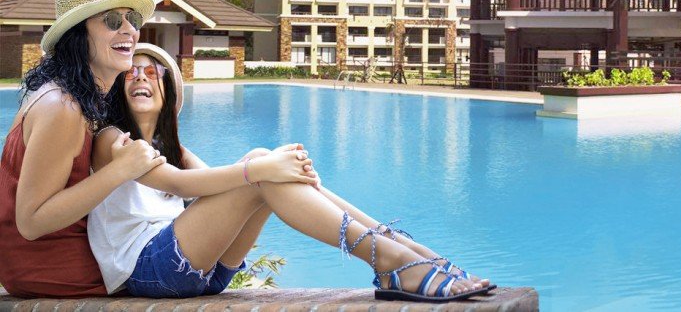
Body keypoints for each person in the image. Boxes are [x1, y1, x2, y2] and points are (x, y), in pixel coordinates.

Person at [89, 43, 494, 303]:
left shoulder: (172, 147)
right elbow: (178, 184)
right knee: (263, 169)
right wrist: (266, 168)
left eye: (152, 72)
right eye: (131, 72)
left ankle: (408, 251)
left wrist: (286, 171)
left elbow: (219, 187)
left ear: (169, 91)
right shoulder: (112, 139)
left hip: (199, 270)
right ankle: (392, 260)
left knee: (266, 163)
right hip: (149, 270)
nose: (140, 77)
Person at [0, 0, 166, 298]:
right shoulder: (63, 106)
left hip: (63, 257)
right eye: (111, 20)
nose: (130, 29)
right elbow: (31, 221)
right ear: (77, 35)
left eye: (131, 19)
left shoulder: (79, 100)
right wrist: (122, 170)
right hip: (53, 266)